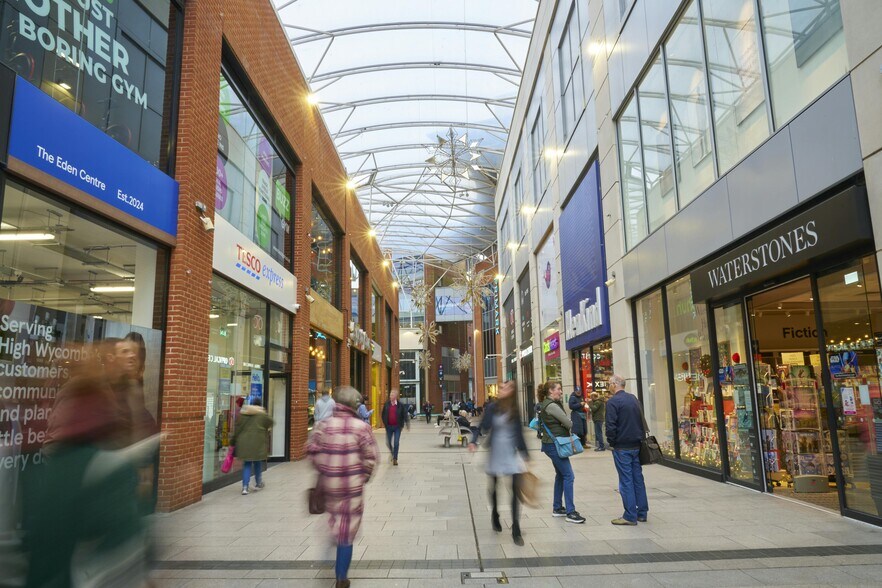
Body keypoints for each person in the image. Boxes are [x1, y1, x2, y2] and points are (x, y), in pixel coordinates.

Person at [307, 386, 379, 588]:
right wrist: (362, 476)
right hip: (352, 489)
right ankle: (341, 577)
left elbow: (311, 451)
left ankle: (332, 545)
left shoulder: (323, 426)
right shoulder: (362, 428)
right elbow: (371, 457)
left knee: (334, 522)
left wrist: (325, 468)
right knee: (347, 532)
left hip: (330, 486)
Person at [468, 380, 528, 546]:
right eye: (501, 387)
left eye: (506, 387)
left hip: (511, 452)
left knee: (515, 490)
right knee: (494, 486)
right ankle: (495, 513)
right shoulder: (492, 408)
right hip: (496, 451)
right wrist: (473, 441)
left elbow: (519, 434)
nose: (503, 389)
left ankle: (516, 527)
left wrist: (526, 455)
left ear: (512, 391)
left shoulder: (515, 409)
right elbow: (481, 426)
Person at [537, 381, 585, 524]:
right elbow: (569, 423)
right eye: (558, 389)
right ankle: (570, 512)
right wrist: (565, 422)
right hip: (554, 444)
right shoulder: (551, 405)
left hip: (550, 444)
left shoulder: (546, 403)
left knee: (560, 475)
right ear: (551, 391)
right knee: (569, 475)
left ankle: (557, 508)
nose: (560, 391)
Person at [605, 374, 648, 525]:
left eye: (609, 383)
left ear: (615, 384)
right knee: (638, 479)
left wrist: (611, 442)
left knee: (626, 481)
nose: (609, 386)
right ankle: (642, 512)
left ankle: (630, 515)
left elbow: (610, 426)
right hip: (636, 445)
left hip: (622, 447)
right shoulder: (633, 399)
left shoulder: (613, 402)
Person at [231, 397, 274, 495]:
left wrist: (233, 441)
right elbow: (271, 422)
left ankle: (245, 487)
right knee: (257, 463)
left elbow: (238, 429)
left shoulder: (243, 413)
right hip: (257, 443)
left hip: (244, 443)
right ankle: (258, 483)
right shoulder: (262, 414)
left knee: (247, 464)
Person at [381, 389, 409, 465]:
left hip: (397, 427)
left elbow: (405, 415)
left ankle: (395, 458)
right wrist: (385, 424)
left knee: (396, 442)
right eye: (390, 394)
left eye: (392, 395)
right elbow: (383, 414)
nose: (390, 396)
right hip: (389, 427)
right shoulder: (387, 404)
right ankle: (393, 452)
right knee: (388, 442)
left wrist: (407, 424)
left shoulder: (400, 405)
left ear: (396, 396)